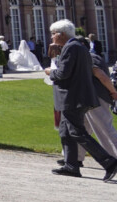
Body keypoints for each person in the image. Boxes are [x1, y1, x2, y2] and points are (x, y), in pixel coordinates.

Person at [47, 19, 117, 180]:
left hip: (73, 98)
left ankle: (109, 162)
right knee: (66, 131)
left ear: (61, 34)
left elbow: (63, 73)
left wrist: (50, 72)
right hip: (74, 98)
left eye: (53, 34)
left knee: (78, 132)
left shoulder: (72, 48)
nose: (51, 37)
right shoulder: (77, 47)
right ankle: (71, 165)